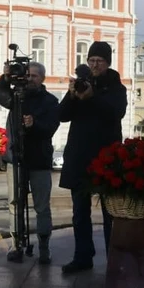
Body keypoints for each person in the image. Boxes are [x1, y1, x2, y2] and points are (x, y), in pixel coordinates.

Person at [59, 41, 127, 274]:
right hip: (79, 157)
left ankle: (113, 259)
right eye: (91, 60)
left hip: (106, 158)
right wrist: (71, 95)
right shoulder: (82, 84)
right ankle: (82, 256)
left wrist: (92, 97)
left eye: (99, 61)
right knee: (79, 212)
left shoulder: (116, 87)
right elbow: (61, 115)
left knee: (110, 213)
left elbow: (116, 112)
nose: (95, 64)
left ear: (107, 63)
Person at [0, 61, 60, 264]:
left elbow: (50, 128)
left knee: (42, 206)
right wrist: (4, 78)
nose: (29, 79)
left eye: (34, 76)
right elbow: (0, 94)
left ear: (42, 79)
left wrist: (35, 125)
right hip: (16, 158)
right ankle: (16, 246)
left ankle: (44, 247)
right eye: (27, 75)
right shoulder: (15, 97)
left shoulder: (50, 101)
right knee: (14, 204)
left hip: (39, 159)